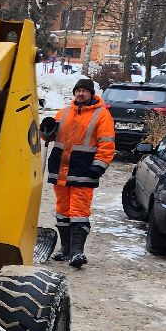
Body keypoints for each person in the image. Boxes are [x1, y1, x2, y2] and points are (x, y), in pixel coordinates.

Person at [46, 77, 115, 269]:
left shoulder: (102, 115)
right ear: (74, 93)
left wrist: (99, 166)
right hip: (60, 171)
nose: (81, 93)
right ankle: (65, 248)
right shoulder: (64, 112)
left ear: (91, 94)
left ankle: (77, 252)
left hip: (84, 171)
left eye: (85, 91)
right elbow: (49, 136)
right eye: (78, 90)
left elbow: (107, 144)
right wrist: (46, 130)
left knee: (79, 212)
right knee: (62, 211)